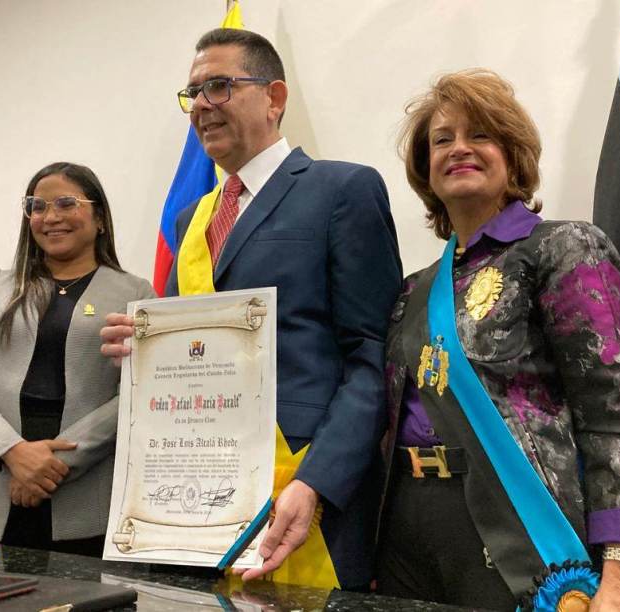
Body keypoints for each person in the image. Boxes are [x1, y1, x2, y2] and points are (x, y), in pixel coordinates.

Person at [101, 28, 402, 589]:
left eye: (219, 86)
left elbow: (374, 357)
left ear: (274, 97)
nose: (201, 106)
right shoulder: (192, 219)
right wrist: (146, 351)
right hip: (200, 492)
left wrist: (317, 481)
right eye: (193, 93)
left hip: (304, 491)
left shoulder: (343, 189)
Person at [378, 69, 620, 611]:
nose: (459, 148)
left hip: (513, 533)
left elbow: (616, 413)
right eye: (442, 140)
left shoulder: (563, 248)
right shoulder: (414, 290)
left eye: (480, 134)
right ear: (426, 169)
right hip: (406, 531)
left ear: (513, 157)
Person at [0, 162, 154, 556]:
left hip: (87, 490)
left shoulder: (136, 293)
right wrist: (13, 452)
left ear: (100, 218)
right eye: (37, 206)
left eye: (66, 203)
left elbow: (140, 393)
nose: (50, 217)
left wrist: (51, 464)